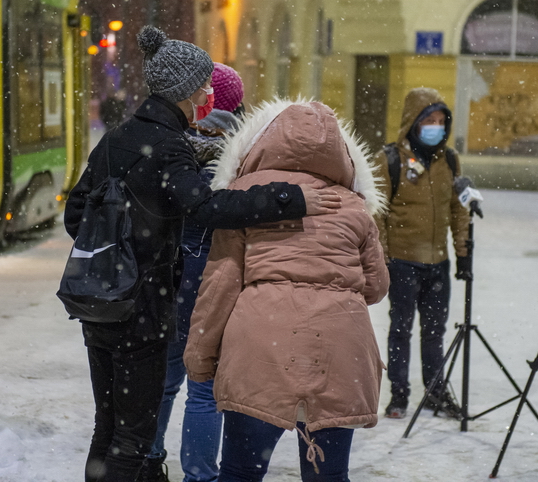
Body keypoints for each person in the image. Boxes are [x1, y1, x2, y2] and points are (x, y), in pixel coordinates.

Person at [64, 26, 342, 482]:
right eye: (204, 88)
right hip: (142, 305)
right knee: (133, 437)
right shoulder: (170, 146)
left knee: (108, 425)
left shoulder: (117, 137)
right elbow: (208, 207)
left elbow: (76, 215)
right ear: (185, 92)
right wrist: (286, 198)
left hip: (100, 303)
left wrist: (123, 232)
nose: (209, 95)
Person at [183, 100, 389, 482]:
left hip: (260, 351)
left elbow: (220, 287)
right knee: (326, 476)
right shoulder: (355, 206)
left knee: (241, 472)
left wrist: (199, 356)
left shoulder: (244, 198)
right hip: (339, 353)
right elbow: (376, 287)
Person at [142, 62, 246, 482]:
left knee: (164, 380)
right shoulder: (240, 159)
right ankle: (200, 475)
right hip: (213, 286)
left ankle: (149, 460)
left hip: (167, 283)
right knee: (204, 388)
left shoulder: (166, 147)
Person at [374, 87, 469, 420]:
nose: (437, 126)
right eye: (430, 119)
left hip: (437, 264)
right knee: (400, 329)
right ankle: (399, 395)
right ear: (414, 122)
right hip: (402, 262)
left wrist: (463, 253)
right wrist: (383, 257)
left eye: (442, 120)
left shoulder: (450, 160)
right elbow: (378, 214)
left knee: (435, 331)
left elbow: (460, 210)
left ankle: (435, 392)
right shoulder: (390, 160)